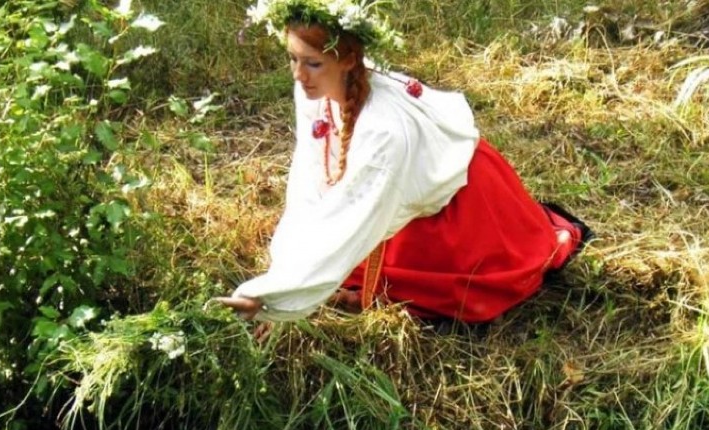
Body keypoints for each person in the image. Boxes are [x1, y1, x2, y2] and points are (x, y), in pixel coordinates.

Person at [215, 0, 591, 323]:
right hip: (392, 194)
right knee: (338, 260)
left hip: (462, 210)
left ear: (347, 61)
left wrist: (273, 298)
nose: (299, 75)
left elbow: (356, 214)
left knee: (444, 286)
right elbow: (309, 179)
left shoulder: (383, 130)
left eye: (312, 63)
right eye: (292, 59)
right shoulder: (314, 91)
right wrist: (281, 276)